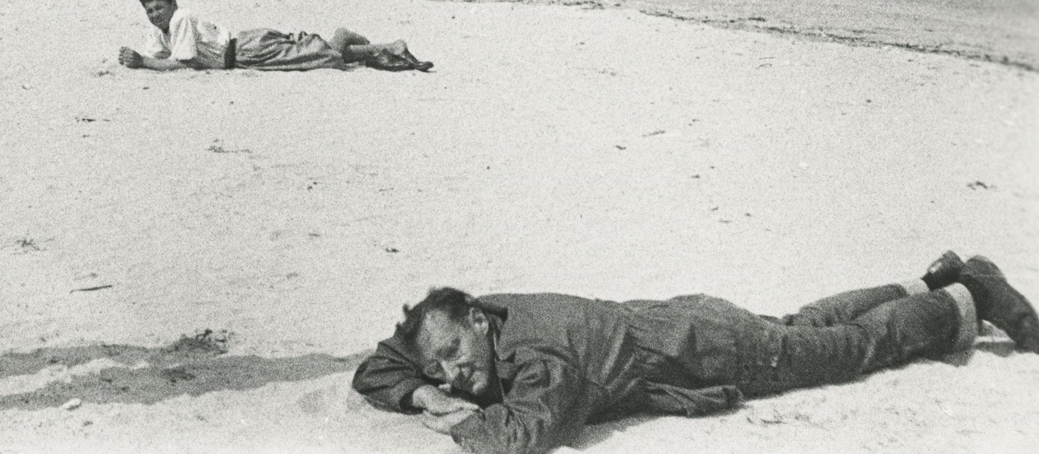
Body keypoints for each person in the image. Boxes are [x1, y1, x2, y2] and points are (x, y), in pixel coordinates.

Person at [353, 251, 1039, 454]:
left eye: (452, 353)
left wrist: (450, 412)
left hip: (715, 349)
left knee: (851, 347)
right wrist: (422, 385)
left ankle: (965, 293)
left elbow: (527, 432)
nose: (452, 372)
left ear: (476, 319)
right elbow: (380, 364)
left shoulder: (535, 355)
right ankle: (926, 278)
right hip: (687, 318)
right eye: (437, 364)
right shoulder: (488, 311)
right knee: (804, 324)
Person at [116, 0, 431, 72]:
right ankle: (389, 47)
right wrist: (142, 59)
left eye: (159, 8)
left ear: (172, 4)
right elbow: (160, 58)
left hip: (245, 50)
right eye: (150, 10)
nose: (155, 14)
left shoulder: (181, 18)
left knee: (322, 56)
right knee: (314, 55)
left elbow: (180, 65)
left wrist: (141, 62)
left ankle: (342, 36)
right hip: (245, 52)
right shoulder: (161, 28)